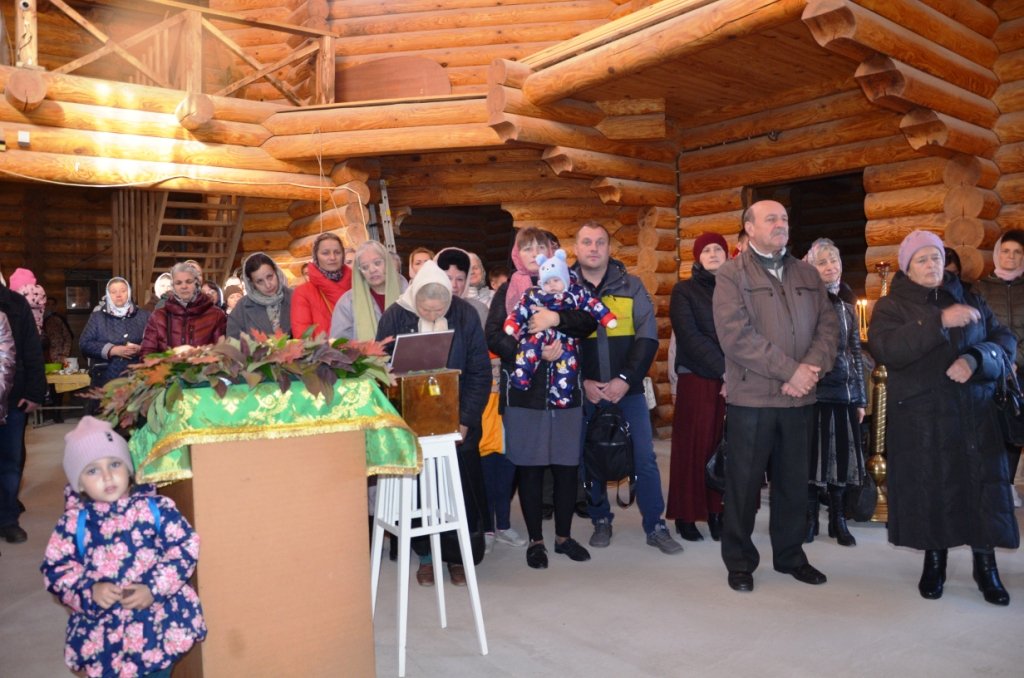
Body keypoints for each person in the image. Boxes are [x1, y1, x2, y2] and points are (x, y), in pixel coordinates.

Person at [870, 231, 1019, 605]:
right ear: (907, 267)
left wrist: (975, 359)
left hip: (975, 415)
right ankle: (934, 563)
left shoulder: (970, 296)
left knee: (981, 491)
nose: (931, 265)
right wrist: (939, 321)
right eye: (921, 259)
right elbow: (887, 348)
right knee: (932, 489)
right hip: (924, 419)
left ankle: (986, 568)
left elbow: (1004, 340)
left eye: (935, 257)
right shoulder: (891, 306)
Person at [712, 200, 838, 592]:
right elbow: (736, 336)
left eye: (784, 218)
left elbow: (828, 328)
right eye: (771, 219)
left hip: (799, 399)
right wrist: (790, 371)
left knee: (794, 485)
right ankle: (739, 561)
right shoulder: (731, 274)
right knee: (744, 485)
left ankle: (790, 556)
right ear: (749, 228)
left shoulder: (807, 273)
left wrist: (809, 370)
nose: (780, 224)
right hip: (752, 399)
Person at [40, 416, 206, 676]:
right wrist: (89, 590)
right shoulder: (73, 523)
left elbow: (184, 547)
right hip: (106, 635)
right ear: (78, 483)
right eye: (92, 470)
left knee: (159, 672)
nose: (107, 476)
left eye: (115, 464)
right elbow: (56, 569)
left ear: (128, 469)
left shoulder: (156, 509)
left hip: (158, 625)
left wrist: (154, 587)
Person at [486, 228, 599, 569]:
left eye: (540, 246)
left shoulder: (572, 284)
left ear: (551, 250)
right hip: (525, 395)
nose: (534, 252)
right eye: (526, 247)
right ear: (517, 254)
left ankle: (563, 537)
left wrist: (556, 319)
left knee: (566, 466)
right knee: (531, 468)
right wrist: (529, 350)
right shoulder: (508, 289)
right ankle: (536, 540)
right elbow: (494, 334)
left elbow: (589, 321)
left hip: (566, 393)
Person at [572, 221, 684, 555]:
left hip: (629, 391)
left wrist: (624, 379)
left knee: (644, 458)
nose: (594, 248)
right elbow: (561, 343)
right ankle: (600, 519)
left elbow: (647, 339)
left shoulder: (632, 286)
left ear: (609, 248)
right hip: (586, 392)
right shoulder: (564, 290)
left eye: (600, 242)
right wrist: (582, 382)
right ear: (576, 249)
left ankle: (655, 525)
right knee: (589, 457)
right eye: (587, 242)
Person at [377, 259, 491, 586]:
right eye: (426, 310)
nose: (432, 315)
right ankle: (425, 555)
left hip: (457, 419)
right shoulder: (395, 316)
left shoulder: (465, 315)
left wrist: (466, 420)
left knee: (459, 492)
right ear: (415, 299)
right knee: (418, 493)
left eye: (439, 310)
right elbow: (378, 365)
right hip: (410, 421)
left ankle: (457, 556)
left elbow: (480, 372)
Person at [803, 238, 866, 546]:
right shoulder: (805, 302)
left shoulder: (847, 304)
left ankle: (838, 520)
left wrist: (860, 397)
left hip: (843, 393)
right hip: (814, 392)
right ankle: (810, 518)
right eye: (822, 262)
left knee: (841, 459)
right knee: (812, 459)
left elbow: (855, 352)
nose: (830, 267)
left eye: (834, 261)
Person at [667, 232, 728, 542]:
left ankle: (717, 511)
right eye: (707, 250)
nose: (713, 254)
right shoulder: (684, 291)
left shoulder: (737, 291)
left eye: (718, 249)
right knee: (693, 447)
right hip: (697, 377)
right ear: (697, 258)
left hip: (732, 381)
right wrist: (725, 369)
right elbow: (690, 337)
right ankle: (687, 514)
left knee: (723, 446)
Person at [503, 248, 616, 406]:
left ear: (565, 279)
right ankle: (522, 377)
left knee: (569, 362)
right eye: (547, 282)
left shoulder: (576, 293)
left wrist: (606, 317)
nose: (551, 286)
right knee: (527, 346)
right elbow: (521, 308)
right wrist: (513, 323)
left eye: (556, 280)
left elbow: (592, 305)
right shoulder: (534, 294)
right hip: (538, 335)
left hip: (565, 340)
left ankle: (561, 395)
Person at [974, 230, 1024, 509]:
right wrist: (1001, 359)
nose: (1011, 257)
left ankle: (1009, 484)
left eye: (1017, 252)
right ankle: (994, 483)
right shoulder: (981, 288)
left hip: (1021, 369)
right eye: (1006, 251)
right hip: (993, 368)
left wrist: (1016, 359)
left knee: (1015, 428)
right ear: (997, 254)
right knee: (993, 427)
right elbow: (979, 328)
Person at [0, 279, 45, 544]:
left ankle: (7, 519)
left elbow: (31, 349)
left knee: (10, 461)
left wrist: (35, 392)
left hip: (13, 397)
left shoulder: (16, 303)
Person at [79, 277, 151, 391]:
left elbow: (156, 343)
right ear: (108, 294)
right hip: (105, 380)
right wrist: (111, 350)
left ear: (129, 292)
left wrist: (141, 349)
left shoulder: (144, 316)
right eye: (113, 292)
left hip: (138, 379)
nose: (118, 295)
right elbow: (84, 344)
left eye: (123, 291)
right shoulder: (97, 317)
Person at [140, 262, 227, 355]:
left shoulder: (216, 315)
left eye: (189, 281)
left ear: (197, 283)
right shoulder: (158, 316)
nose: (184, 286)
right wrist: (172, 355)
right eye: (178, 283)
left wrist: (200, 354)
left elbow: (224, 354)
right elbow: (146, 354)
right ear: (173, 287)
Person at [330, 240, 405, 341]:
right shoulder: (347, 302)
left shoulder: (407, 293)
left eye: (377, 263)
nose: (372, 270)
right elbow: (338, 343)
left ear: (387, 263)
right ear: (360, 272)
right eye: (365, 267)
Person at [291, 232, 352, 339]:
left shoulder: (357, 284)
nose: (332, 257)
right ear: (316, 257)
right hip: (325, 349)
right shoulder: (303, 292)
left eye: (337, 252)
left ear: (343, 255)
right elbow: (303, 337)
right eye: (325, 253)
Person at [227, 252, 293, 339]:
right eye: (260, 281)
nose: (268, 285)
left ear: (277, 272)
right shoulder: (241, 308)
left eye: (270, 276)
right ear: (252, 284)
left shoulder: (295, 297)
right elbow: (232, 342)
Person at [436, 248, 489, 327]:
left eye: (460, 279)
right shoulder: (424, 308)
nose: (454, 285)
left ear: (466, 281)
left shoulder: (477, 309)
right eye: (448, 278)